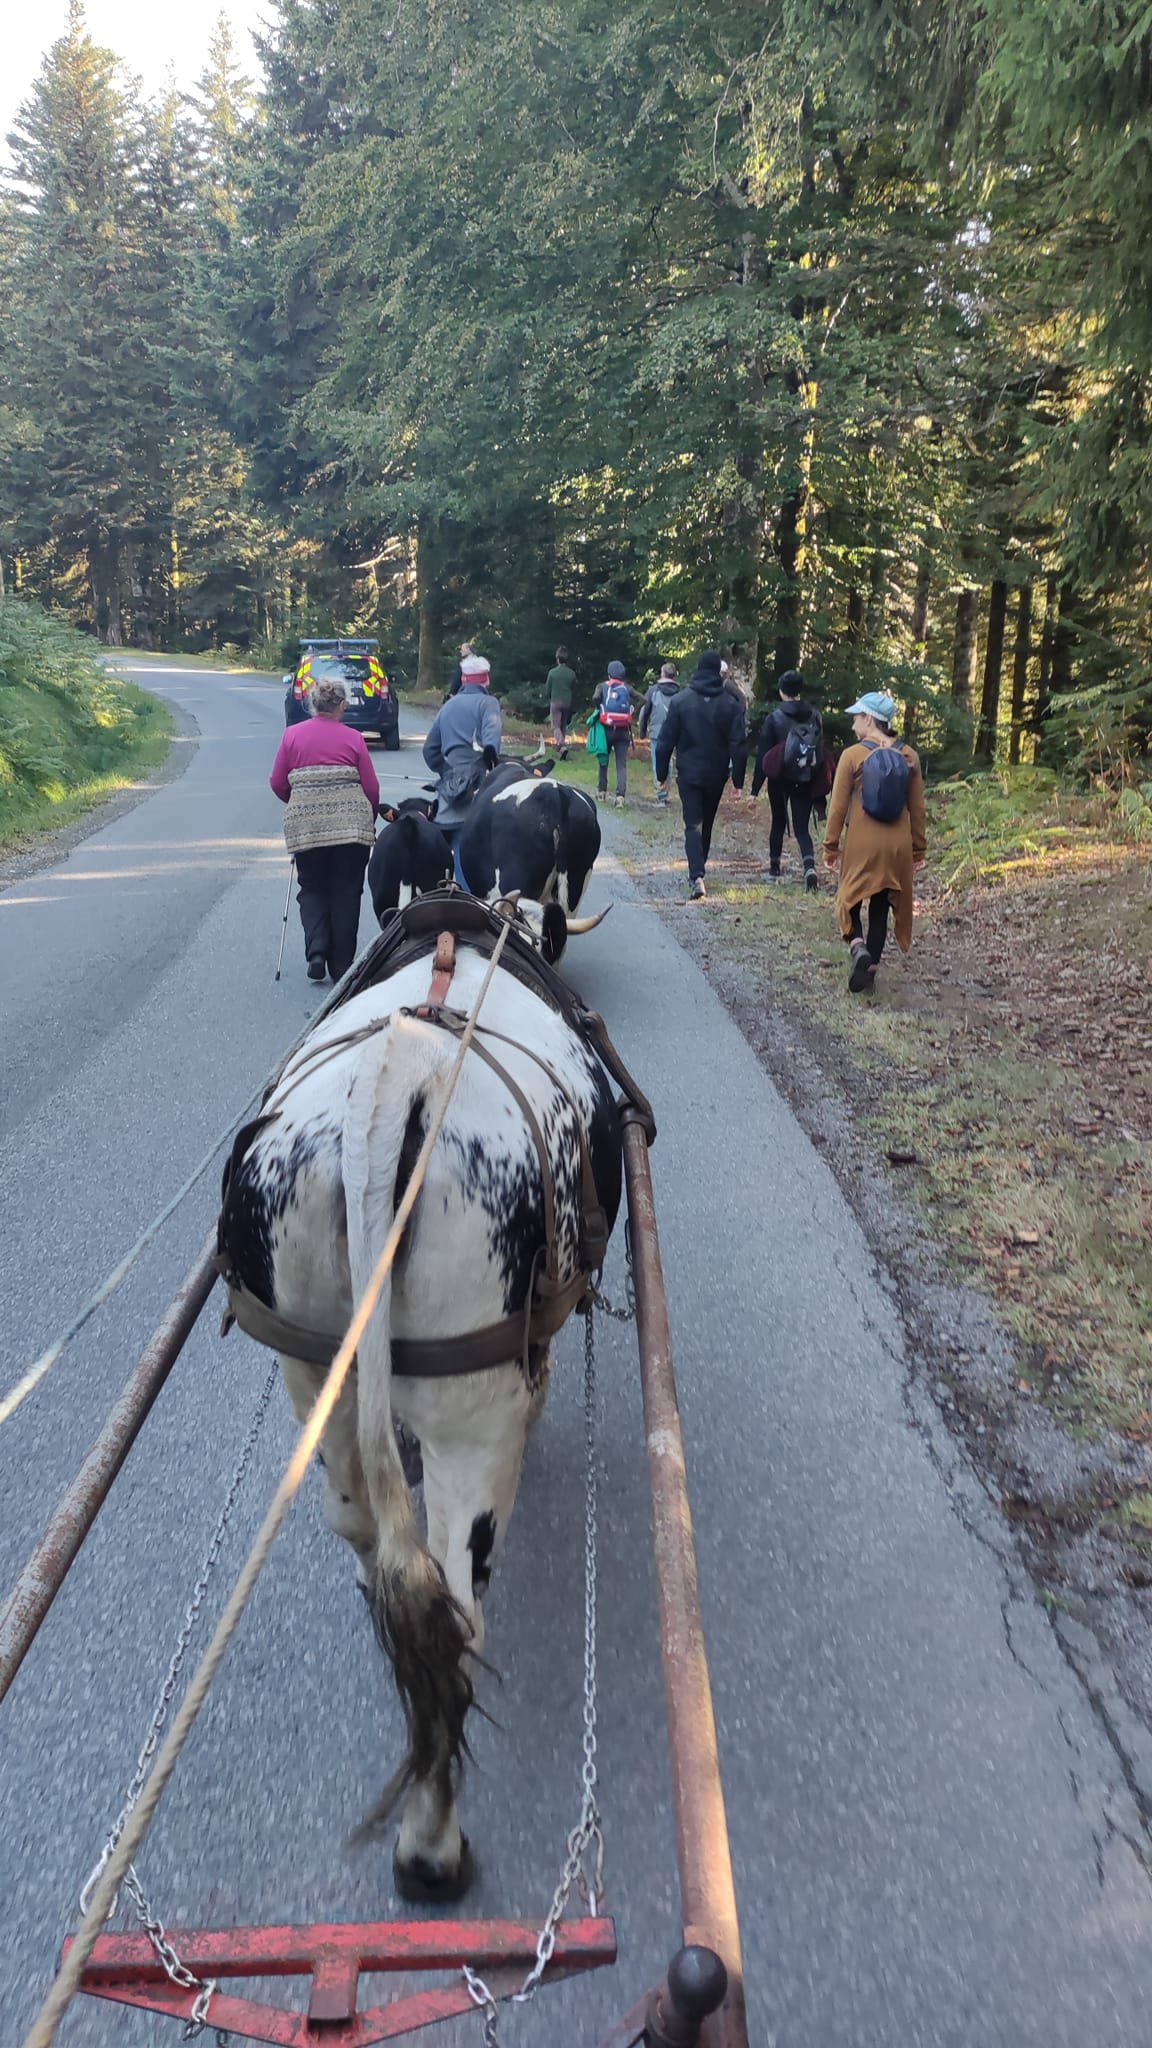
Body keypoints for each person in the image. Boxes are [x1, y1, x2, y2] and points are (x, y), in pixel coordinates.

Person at [269, 676, 380, 983]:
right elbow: (371, 788)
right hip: (350, 829)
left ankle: (317, 950)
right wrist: (369, 820)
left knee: (313, 887)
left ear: (313, 705)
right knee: (347, 892)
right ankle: (343, 966)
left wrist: (302, 801)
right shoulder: (354, 739)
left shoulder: (291, 736)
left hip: (307, 828)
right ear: (341, 706)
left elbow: (278, 782)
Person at [823, 690, 927, 993]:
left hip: (862, 841)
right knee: (881, 904)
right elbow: (918, 809)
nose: (854, 724)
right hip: (897, 845)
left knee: (850, 897)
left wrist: (831, 847)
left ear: (869, 719)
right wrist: (918, 848)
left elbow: (838, 807)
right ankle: (870, 970)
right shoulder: (909, 756)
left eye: (857, 717)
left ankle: (858, 947)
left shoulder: (853, 756)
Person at [653, 649, 747, 899]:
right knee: (706, 821)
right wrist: (738, 780)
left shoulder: (681, 701)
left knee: (692, 822)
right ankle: (699, 869)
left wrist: (661, 774)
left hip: (689, 773)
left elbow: (664, 742)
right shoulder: (730, 705)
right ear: (718, 672)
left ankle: (697, 875)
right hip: (716, 774)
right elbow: (738, 745)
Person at [423, 652, 502, 873]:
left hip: (451, 796)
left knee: (458, 851)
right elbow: (491, 747)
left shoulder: (448, 706)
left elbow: (429, 750)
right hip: (481, 790)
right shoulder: (488, 704)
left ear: (464, 679)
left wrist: (448, 773)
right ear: (486, 680)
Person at [749, 669, 826, 892]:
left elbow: (765, 756)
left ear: (782, 692)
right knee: (802, 827)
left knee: (778, 823)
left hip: (779, 779)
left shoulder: (774, 718)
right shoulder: (814, 715)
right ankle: (809, 866)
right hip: (805, 777)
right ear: (799, 691)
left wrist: (754, 790)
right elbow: (820, 748)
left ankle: (774, 870)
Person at [592, 659, 636, 805]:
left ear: (609, 673)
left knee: (603, 761)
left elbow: (595, 698)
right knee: (621, 764)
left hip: (606, 728)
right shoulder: (627, 688)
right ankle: (620, 797)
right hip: (623, 731)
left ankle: (602, 792)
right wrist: (631, 710)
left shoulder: (602, 686)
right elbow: (644, 699)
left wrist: (600, 708)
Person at [637, 662, 679, 806]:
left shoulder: (653, 690)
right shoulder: (680, 692)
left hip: (657, 732)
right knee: (669, 761)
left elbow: (645, 711)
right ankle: (667, 791)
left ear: (662, 674)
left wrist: (642, 731)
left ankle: (661, 794)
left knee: (658, 762)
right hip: (675, 732)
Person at [546, 645, 577, 757]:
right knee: (563, 725)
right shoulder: (571, 673)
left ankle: (561, 744)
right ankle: (561, 752)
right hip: (567, 702)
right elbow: (574, 688)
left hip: (556, 701)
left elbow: (548, 688)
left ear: (557, 658)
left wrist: (550, 697)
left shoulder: (552, 673)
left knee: (556, 726)